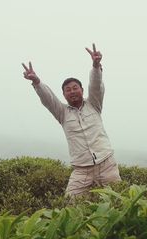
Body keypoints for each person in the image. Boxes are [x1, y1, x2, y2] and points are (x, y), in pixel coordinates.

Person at [22, 43, 121, 198]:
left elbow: (96, 86)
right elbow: (48, 99)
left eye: (75, 88)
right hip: (81, 170)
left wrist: (96, 66)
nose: (72, 91)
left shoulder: (94, 104)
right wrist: (36, 82)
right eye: (68, 90)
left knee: (119, 201)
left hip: (107, 165)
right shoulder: (62, 113)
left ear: (82, 90)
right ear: (64, 95)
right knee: (69, 205)